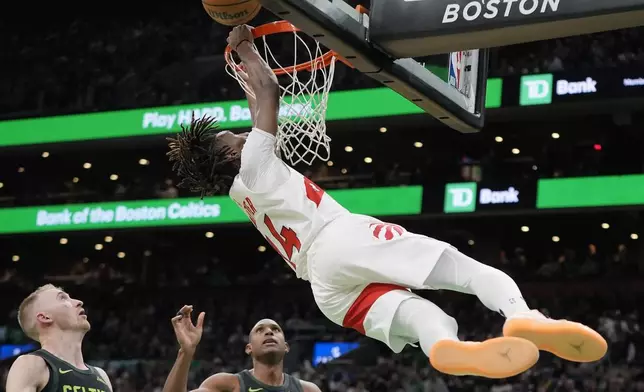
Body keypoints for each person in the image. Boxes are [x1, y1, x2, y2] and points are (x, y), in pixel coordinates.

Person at [166, 25, 608, 379]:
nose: (242, 133)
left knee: (421, 318)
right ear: (229, 154)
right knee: (467, 272)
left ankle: (446, 349)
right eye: (232, 137)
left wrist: (245, 73)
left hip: (325, 288)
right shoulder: (254, 162)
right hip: (339, 238)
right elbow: (268, 94)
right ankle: (522, 316)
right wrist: (245, 47)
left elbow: (255, 108)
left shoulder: (239, 189)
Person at [163, 305, 320, 392]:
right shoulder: (227, 385)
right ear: (248, 348)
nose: (269, 331)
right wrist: (186, 351)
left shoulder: (308, 390)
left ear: (286, 347)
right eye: (260, 330)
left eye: (276, 329)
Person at [5, 284, 113, 392]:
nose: (79, 302)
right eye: (62, 298)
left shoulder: (101, 375)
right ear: (45, 317)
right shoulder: (31, 364)